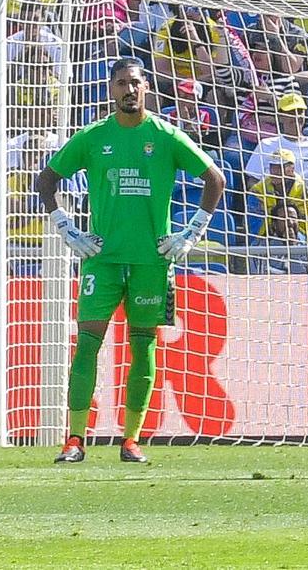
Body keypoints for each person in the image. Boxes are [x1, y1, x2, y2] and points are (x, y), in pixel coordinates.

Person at [34, 57, 225, 464]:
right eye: (120, 83)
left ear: (146, 87)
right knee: (86, 345)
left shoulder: (166, 136)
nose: (128, 90)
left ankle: (131, 440)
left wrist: (192, 232)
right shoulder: (92, 137)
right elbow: (46, 180)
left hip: (151, 262)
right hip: (101, 259)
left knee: (144, 349)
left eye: (135, 82)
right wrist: (66, 227)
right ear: (110, 90)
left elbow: (215, 179)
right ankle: (74, 440)